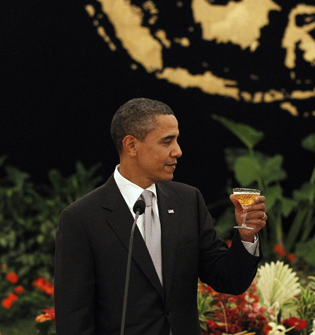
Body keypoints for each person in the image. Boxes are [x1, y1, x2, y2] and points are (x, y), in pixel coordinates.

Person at [54, 98, 268, 334]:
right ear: (131, 146)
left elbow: (228, 280)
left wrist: (247, 236)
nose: (178, 151)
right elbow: (73, 321)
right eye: (167, 141)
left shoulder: (188, 201)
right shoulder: (81, 218)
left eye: (176, 140)